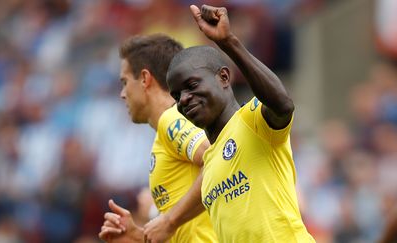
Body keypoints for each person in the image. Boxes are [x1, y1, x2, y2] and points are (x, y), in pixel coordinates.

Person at [163, 4, 316, 242]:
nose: (183, 99)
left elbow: (282, 105)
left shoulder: (252, 119)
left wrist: (229, 43)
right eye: (176, 95)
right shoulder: (209, 168)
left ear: (224, 77)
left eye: (192, 86)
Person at [98, 34, 217, 242]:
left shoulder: (172, 120)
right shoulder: (165, 132)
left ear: (145, 79)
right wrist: (138, 236)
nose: (122, 94)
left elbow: (218, 159)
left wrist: (169, 220)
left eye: (125, 82)